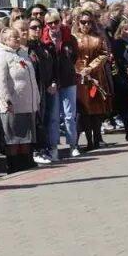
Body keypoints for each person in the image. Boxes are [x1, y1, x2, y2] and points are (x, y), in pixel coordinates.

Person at [0, 27, 40, 173]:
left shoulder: (22, 53)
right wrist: (7, 100)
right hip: (12, 105)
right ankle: (13, 165)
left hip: (27, 103)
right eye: (14, 37)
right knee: (13, 138)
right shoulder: (0, 57)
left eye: (18, 36)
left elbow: (32, 78)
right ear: (5, 40)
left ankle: (26, 161)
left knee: (26, 136)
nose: (18, 39)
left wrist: (36, 96)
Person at [39, 11, 81, 161]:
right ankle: (54, 147)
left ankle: (73, 145)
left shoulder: (69, 37)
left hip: (68, 80)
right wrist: (50, 81)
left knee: (70, 115)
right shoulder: (42, 39)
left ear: (60, 21)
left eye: (56, 22)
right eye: (49, 23)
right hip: (52, 82)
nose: (53, 25)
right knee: (54, 116)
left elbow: (75, 56)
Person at [73, 8, 112, 150]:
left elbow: (104, 54)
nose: (86, 25)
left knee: (97, 109)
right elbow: (71, 56)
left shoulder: (99, 37)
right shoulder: (73, 38)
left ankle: (97, 139)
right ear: (78, 22)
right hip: (80, 79)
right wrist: (80, 69)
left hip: (96, 76)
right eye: (83, 22)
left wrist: (91, 68)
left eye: (89, 22)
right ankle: (88, 141)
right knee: (84, 110)